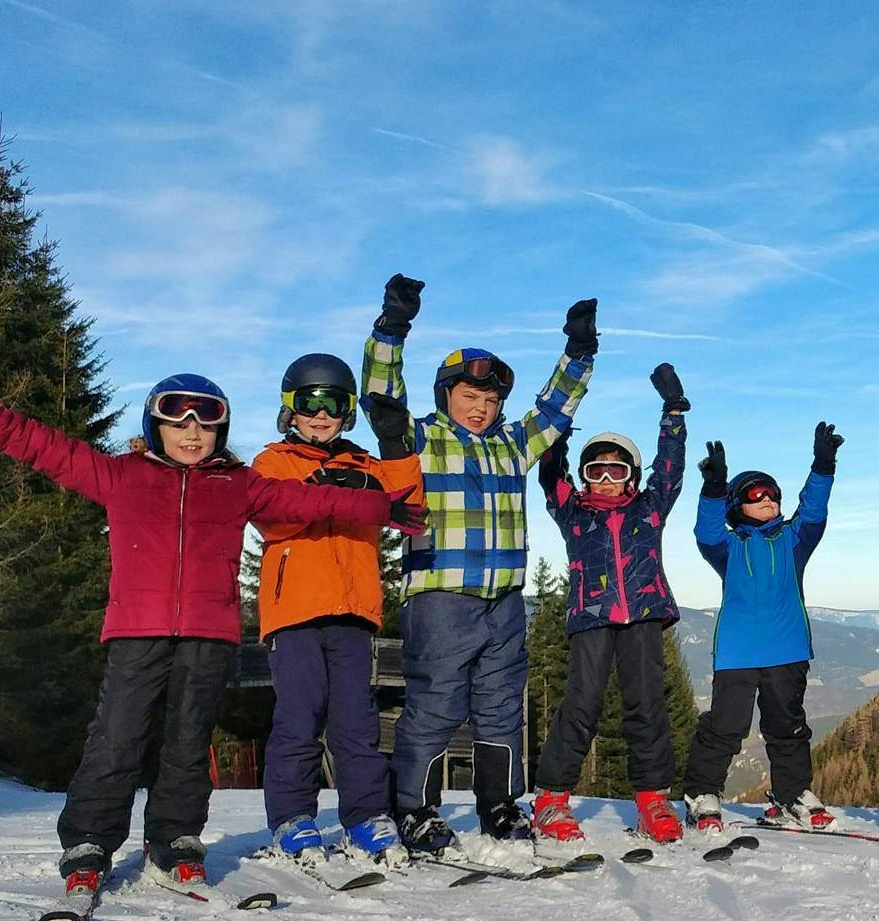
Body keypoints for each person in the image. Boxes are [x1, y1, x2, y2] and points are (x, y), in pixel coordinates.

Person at [0, 356, 423, 896]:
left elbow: (308, 498)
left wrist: (379, 506)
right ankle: (90, 839)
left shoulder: (238, 484)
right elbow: (46, 448)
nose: (192, 433)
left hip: (208, 635)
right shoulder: (121, 475)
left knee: (188, 742)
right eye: (178, 421)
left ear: (221, 430)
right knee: (117, 738)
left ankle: (174, 837)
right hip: (136, 632)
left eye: (205, 422)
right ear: (155, 428)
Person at [357, 274, 595, 870]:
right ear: (447, 395)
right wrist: (392, 327)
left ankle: (500, 802)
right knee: (435, 704)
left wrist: (579, 353)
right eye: (470, 396)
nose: (482, 406)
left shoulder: (514, 444)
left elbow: (556, 409)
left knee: (499, 704)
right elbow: (382, 397)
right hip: (441, 597)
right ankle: (413, 805)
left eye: (490, 400)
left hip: (505, 601)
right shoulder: (418, 440)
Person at [251, 352, 424, 867]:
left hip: (353, 611)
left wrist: (394, 444)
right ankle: (292, 818)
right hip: (295, 612)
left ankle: (367, 816)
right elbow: (274, 514)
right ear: (291, 409)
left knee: (357, 722)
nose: (321, 415)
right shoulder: (274, 463)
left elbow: (409, 506)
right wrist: (333, 491)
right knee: (299, 717)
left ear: (347, 411)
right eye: (310, 403)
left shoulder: (365, 465)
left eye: (332, 403)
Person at [530, 363, 689, 849]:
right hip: (591, 618)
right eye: (594, 471)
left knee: (646, 705)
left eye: (615, 471)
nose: (603, 479)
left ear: (631, 479)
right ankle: (551, 799)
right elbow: (549, 473)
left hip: (641, 614)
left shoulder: (650, 508)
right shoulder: (572, 511)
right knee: (582, 704)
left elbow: (669, 470)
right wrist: (557, 433)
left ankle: (652, 799)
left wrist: (674, 413)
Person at [681, 423, 841, 833]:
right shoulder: (729, 548)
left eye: (772, 493)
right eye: (756, 494)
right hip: (737, 653)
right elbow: (707, 532)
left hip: (787, 651)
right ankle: (703, 793)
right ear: (738, 505)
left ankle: (792, 794)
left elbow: (813, 510)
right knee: (725, 726)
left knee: (788, 727)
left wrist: (823, 465)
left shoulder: (793, 541)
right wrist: (714, 489)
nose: (768, 498)